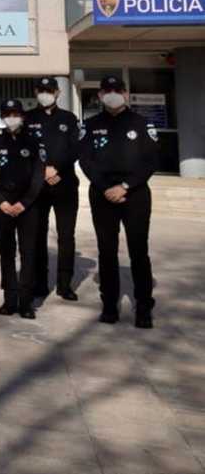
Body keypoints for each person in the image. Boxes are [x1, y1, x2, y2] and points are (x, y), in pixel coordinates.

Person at [78, 75, 159, 328]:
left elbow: (151, 160)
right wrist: (106, 188)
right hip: (102, 196)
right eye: (107, 90)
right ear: (100, 95)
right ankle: (109, 305)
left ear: (125, 94)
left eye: (117, 90)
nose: (112, 94)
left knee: (138, 251)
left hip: (135, 195)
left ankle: (143, 307)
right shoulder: (90, 125)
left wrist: (125, 186)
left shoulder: (143, 124)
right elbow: (86, 160)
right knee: (107, 252)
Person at [0, 99, 45, 319]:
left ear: (23, 116)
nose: (12, 118)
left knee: (28, 253)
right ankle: (10, 299)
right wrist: (1, 201)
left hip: (28, 204)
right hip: (2, 203)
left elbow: (39, 176)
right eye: (7, 114)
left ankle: (26, 302)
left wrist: (25, 202)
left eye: (16, 114)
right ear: (2, 116)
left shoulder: (35, 143)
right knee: (6, 253)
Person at [24, 76, 81, 301]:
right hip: (37, 187)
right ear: (36, 92)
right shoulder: (27, 119)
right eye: (41, 90)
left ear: (57, 93)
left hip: (65, 185)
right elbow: (24, 152)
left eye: (50, 90)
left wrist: (56, 169)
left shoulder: (69, 118)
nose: (45, 94)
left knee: (66, 236)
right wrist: (42, 171)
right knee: (37, 235)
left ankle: (65, 284)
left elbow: (76, 149)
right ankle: (39, 283)